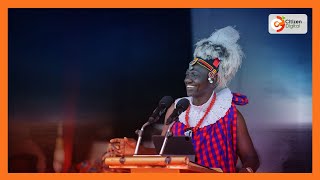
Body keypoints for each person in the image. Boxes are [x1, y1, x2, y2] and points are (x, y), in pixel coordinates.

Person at [104, 26, 260, 173]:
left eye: (195, 76)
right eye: (187, 76)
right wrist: (135, 149)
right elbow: (164, 153)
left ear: (212, 79)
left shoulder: (231, 115)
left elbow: (251, 157)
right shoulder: (176, 109)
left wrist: (246, 171)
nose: (188, 81)